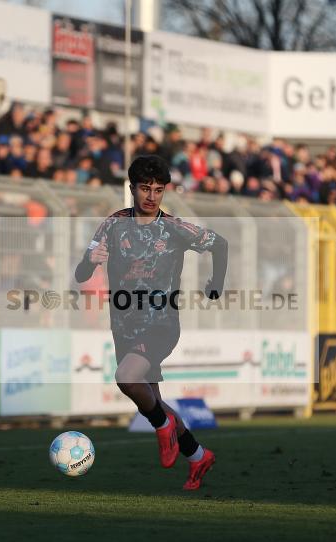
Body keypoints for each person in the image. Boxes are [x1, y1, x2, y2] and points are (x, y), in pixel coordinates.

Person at [74, 155, 227, 490]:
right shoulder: (113, 225)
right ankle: (198, 456)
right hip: (123, 327)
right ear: (131, 188)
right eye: (145, 188)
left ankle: (162, 427)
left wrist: (216, 282)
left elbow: (221, 244)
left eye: (158, 190)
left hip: (161, 324)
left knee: (126, 378)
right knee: (152, 401)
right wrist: (89, 260)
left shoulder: (174, 228)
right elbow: (80, 273)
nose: (151, 196)